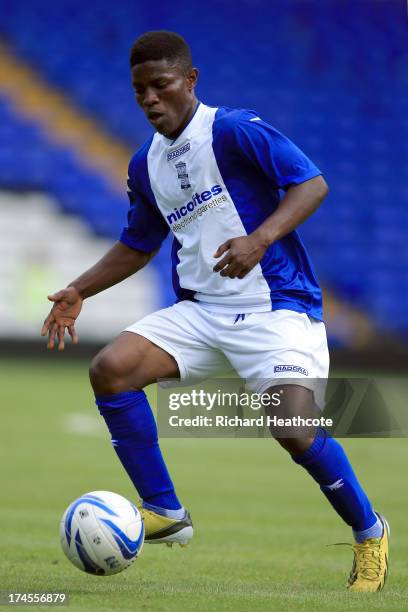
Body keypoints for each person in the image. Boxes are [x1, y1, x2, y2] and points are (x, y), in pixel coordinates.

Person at [41, 30, 389, 591]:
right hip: (202, 312)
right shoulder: (145, 164)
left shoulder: (231, 131)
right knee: (111, 369)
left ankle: (370, 531)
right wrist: (80, 289)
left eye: (161, 85)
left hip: (276, 307)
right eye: (139, 92)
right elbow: (138, 243)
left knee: (293, 427)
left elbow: (312, 184)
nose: (150, 99)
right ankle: (166, 511)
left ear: (191, 80)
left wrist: (260, 238)